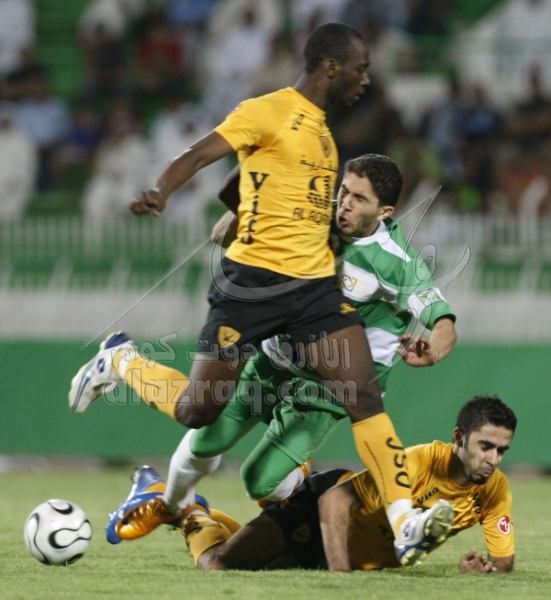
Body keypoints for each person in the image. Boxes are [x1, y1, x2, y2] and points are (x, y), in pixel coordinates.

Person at [69, 24, 437, 565]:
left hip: (314, 291)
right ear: (331, 67)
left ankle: (407, 522)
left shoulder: (325, 137)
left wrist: (250, 210)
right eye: (360, 69)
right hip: (252, 287)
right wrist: (162, 191)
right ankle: (120, 360)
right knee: (199, 412)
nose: (365, 80)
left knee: (363, 396)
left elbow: (259, 186)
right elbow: (201, 155)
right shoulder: (269, 110)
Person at [137, 395, 515, 574]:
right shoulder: (416, 463)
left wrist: (484, 571)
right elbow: (335, 501)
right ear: (459, 437)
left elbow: (503, 559)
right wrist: (341, 579)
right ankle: (189, 517)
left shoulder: (494, 490)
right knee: (218, 565)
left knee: (256, 563)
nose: (494, 460)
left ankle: (207, 512)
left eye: (501, 450)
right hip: (321, 513)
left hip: (343, 551)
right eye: (486, 447)